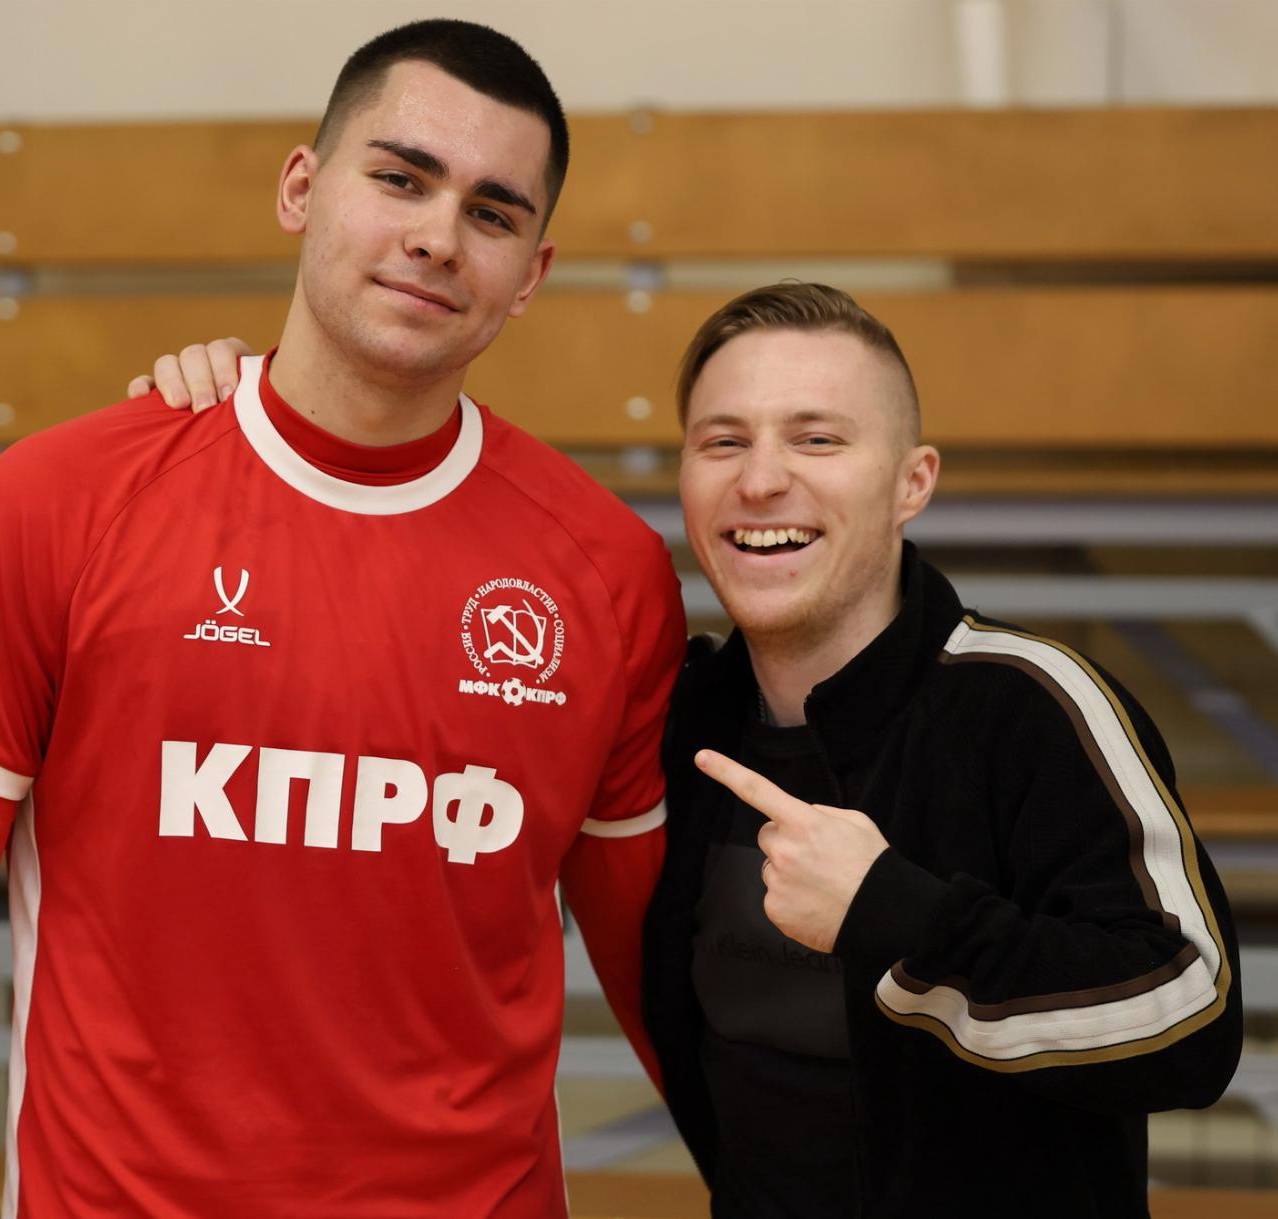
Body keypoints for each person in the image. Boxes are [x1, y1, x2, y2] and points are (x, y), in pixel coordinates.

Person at [0, 20, 684, 1219]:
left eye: (491, 214)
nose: (438, 236)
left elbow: (669, 998)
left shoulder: (608, 572)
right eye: (401, 179)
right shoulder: (58, 505)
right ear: (301, 189)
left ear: (532, 273)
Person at [154, 283, 1243, 1219]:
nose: (762, 479)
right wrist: (264, 407)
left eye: (817, 439)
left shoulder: (1030, 705)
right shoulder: (670, 719)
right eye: (724, 441)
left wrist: (893, 910)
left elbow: (1191, 1013)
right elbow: (390, 732)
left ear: (911, 482)